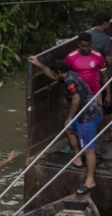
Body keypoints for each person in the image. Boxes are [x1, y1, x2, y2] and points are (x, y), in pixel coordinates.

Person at [28, 56, 102, 195]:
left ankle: (90, 180)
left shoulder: (69, 81)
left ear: (59, 72)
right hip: (87, 112)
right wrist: (39, 64)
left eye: (55, 73)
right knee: (69, 129)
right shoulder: (69, 74)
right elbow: (53, 75)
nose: (54, 76)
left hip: (87, 117)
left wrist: (70, 117)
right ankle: (77, 158)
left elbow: (76, 98)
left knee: (89, 149)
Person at [88, 10, 112, 112]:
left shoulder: (87, 34)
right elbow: (109, 60)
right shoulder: (105, 39)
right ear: (105, 23)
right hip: (99, 75)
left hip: (86, 76)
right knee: (105, 107)